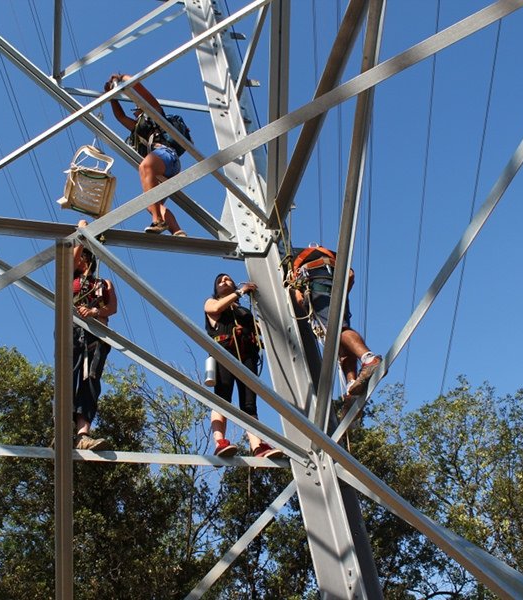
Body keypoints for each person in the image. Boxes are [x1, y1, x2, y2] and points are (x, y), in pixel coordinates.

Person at [204, 273, 284, 459]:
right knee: (222, 399)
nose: (224, 281)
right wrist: (240, 291)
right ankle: (219, 442)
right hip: (224, 353)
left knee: (249, 405)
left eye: (227, 279)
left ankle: (257, 446)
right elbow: (214, 308)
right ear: (216, 289)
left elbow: (263, 330)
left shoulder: (245, 312)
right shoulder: (211, 302)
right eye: (220, 281)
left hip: (247, 356)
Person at [291, 245, 382, 399]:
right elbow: (351, 275)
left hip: (317, 284)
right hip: (335, 284)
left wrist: (305, 306)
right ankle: (352, 386)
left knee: (335, 330)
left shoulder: (292, 258)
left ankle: (369, 359)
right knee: (342, 342)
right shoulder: (333, 256)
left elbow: (298, 296)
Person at [105, 73, 186, 237]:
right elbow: (120, 117)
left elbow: (141, 90)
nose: (134, 111)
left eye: (136, 108)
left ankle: (158, 222)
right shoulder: (137, 128)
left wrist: (124, 78)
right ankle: (177, 230)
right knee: (151, 205)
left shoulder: (155, 112)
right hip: (162, 168)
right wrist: (111, 97)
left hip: (166, 156)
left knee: (145, 166)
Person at [71, 220, 117, 450]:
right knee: (68, 374)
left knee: (90, 379)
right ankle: (61, 428)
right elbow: (70, 258)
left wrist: (95, 311)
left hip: (97, 332)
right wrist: (82, 231)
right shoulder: (71, 277)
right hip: (72, 328)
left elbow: (112, 308)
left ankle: (82, 434)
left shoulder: (102, 282)